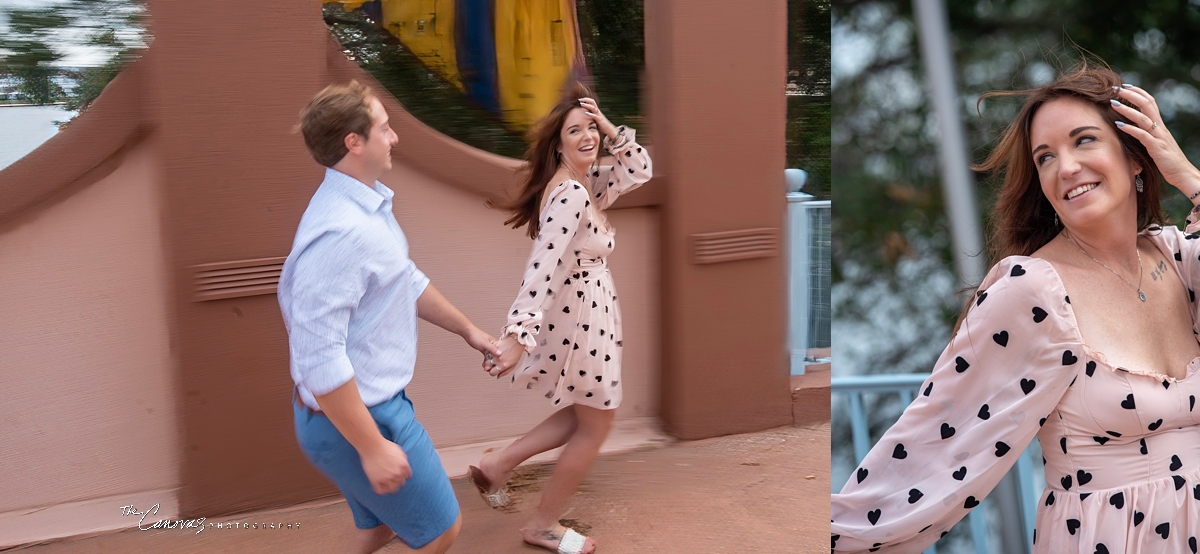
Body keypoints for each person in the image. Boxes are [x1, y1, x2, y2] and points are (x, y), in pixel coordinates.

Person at [832, 62, 1200, 553]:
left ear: (1136, 155)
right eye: (1045, 157)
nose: (1065, 167)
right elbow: (932, 448)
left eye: (1084, 140)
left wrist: (1186, 175)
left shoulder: (1181, 260)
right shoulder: (1033, 292)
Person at [279, 80, 502, 554]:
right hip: (358, 419)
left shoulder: (366, 205)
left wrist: (469, 331)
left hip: (364, 411)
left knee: (378, 528)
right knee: (441, 530)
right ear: (353, 142)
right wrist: (373, 447)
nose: (395, 137)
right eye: (385, 128)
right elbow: (319, 356)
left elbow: (403, 279)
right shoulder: (342, 233)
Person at [468, 83, 652, 554]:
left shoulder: (587, 186)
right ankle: (543, 525)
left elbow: (640, 169)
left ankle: (497, 465)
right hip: (581, 320)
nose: (588, 136)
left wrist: (608, 125)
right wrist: (518, 335)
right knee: (598, 423)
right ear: (558, 145)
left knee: (586, 413)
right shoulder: (570, 193)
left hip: (592, 314)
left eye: (590, 128)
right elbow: (542, 266)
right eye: (576, 131)